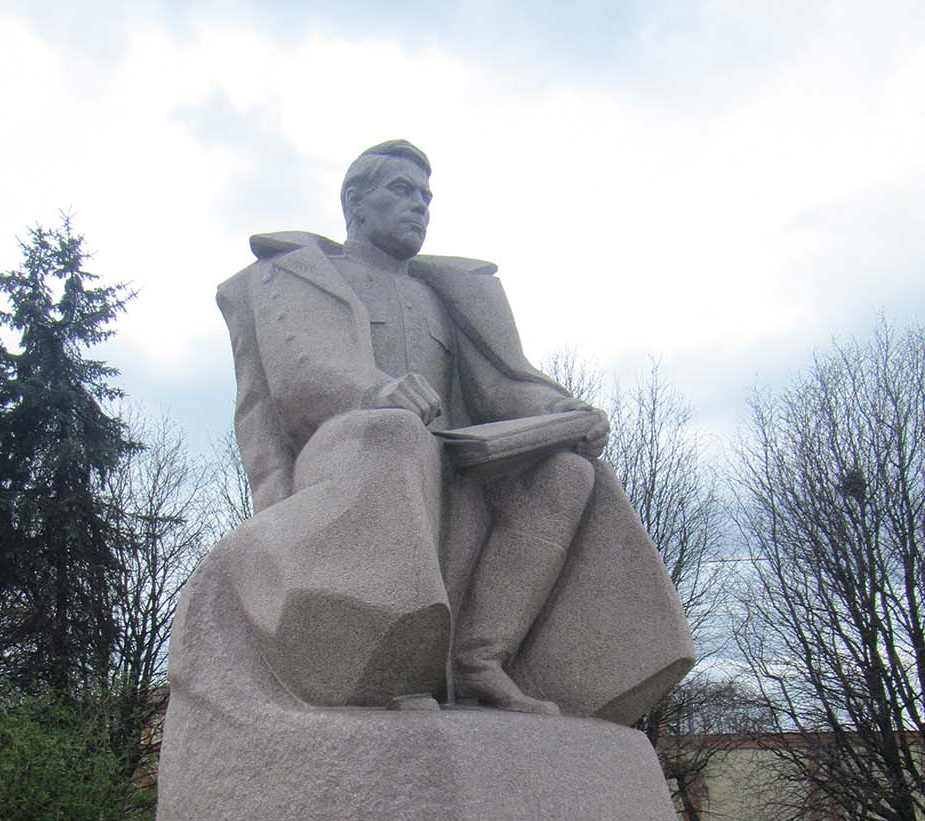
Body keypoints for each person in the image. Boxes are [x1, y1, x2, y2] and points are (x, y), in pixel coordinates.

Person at [214, 140, 693, 716]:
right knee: (396, 433)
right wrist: (372, 392)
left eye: (426, 196)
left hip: (453, 455)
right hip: (349, 449)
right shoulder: (295, 274)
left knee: (565, 473)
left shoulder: (444, 294)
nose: (419, 205)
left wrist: (557, 413)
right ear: (355, 203)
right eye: (401, 191)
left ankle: (480, 659)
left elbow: (500, 387)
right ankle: (393, 663)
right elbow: (301, 374)